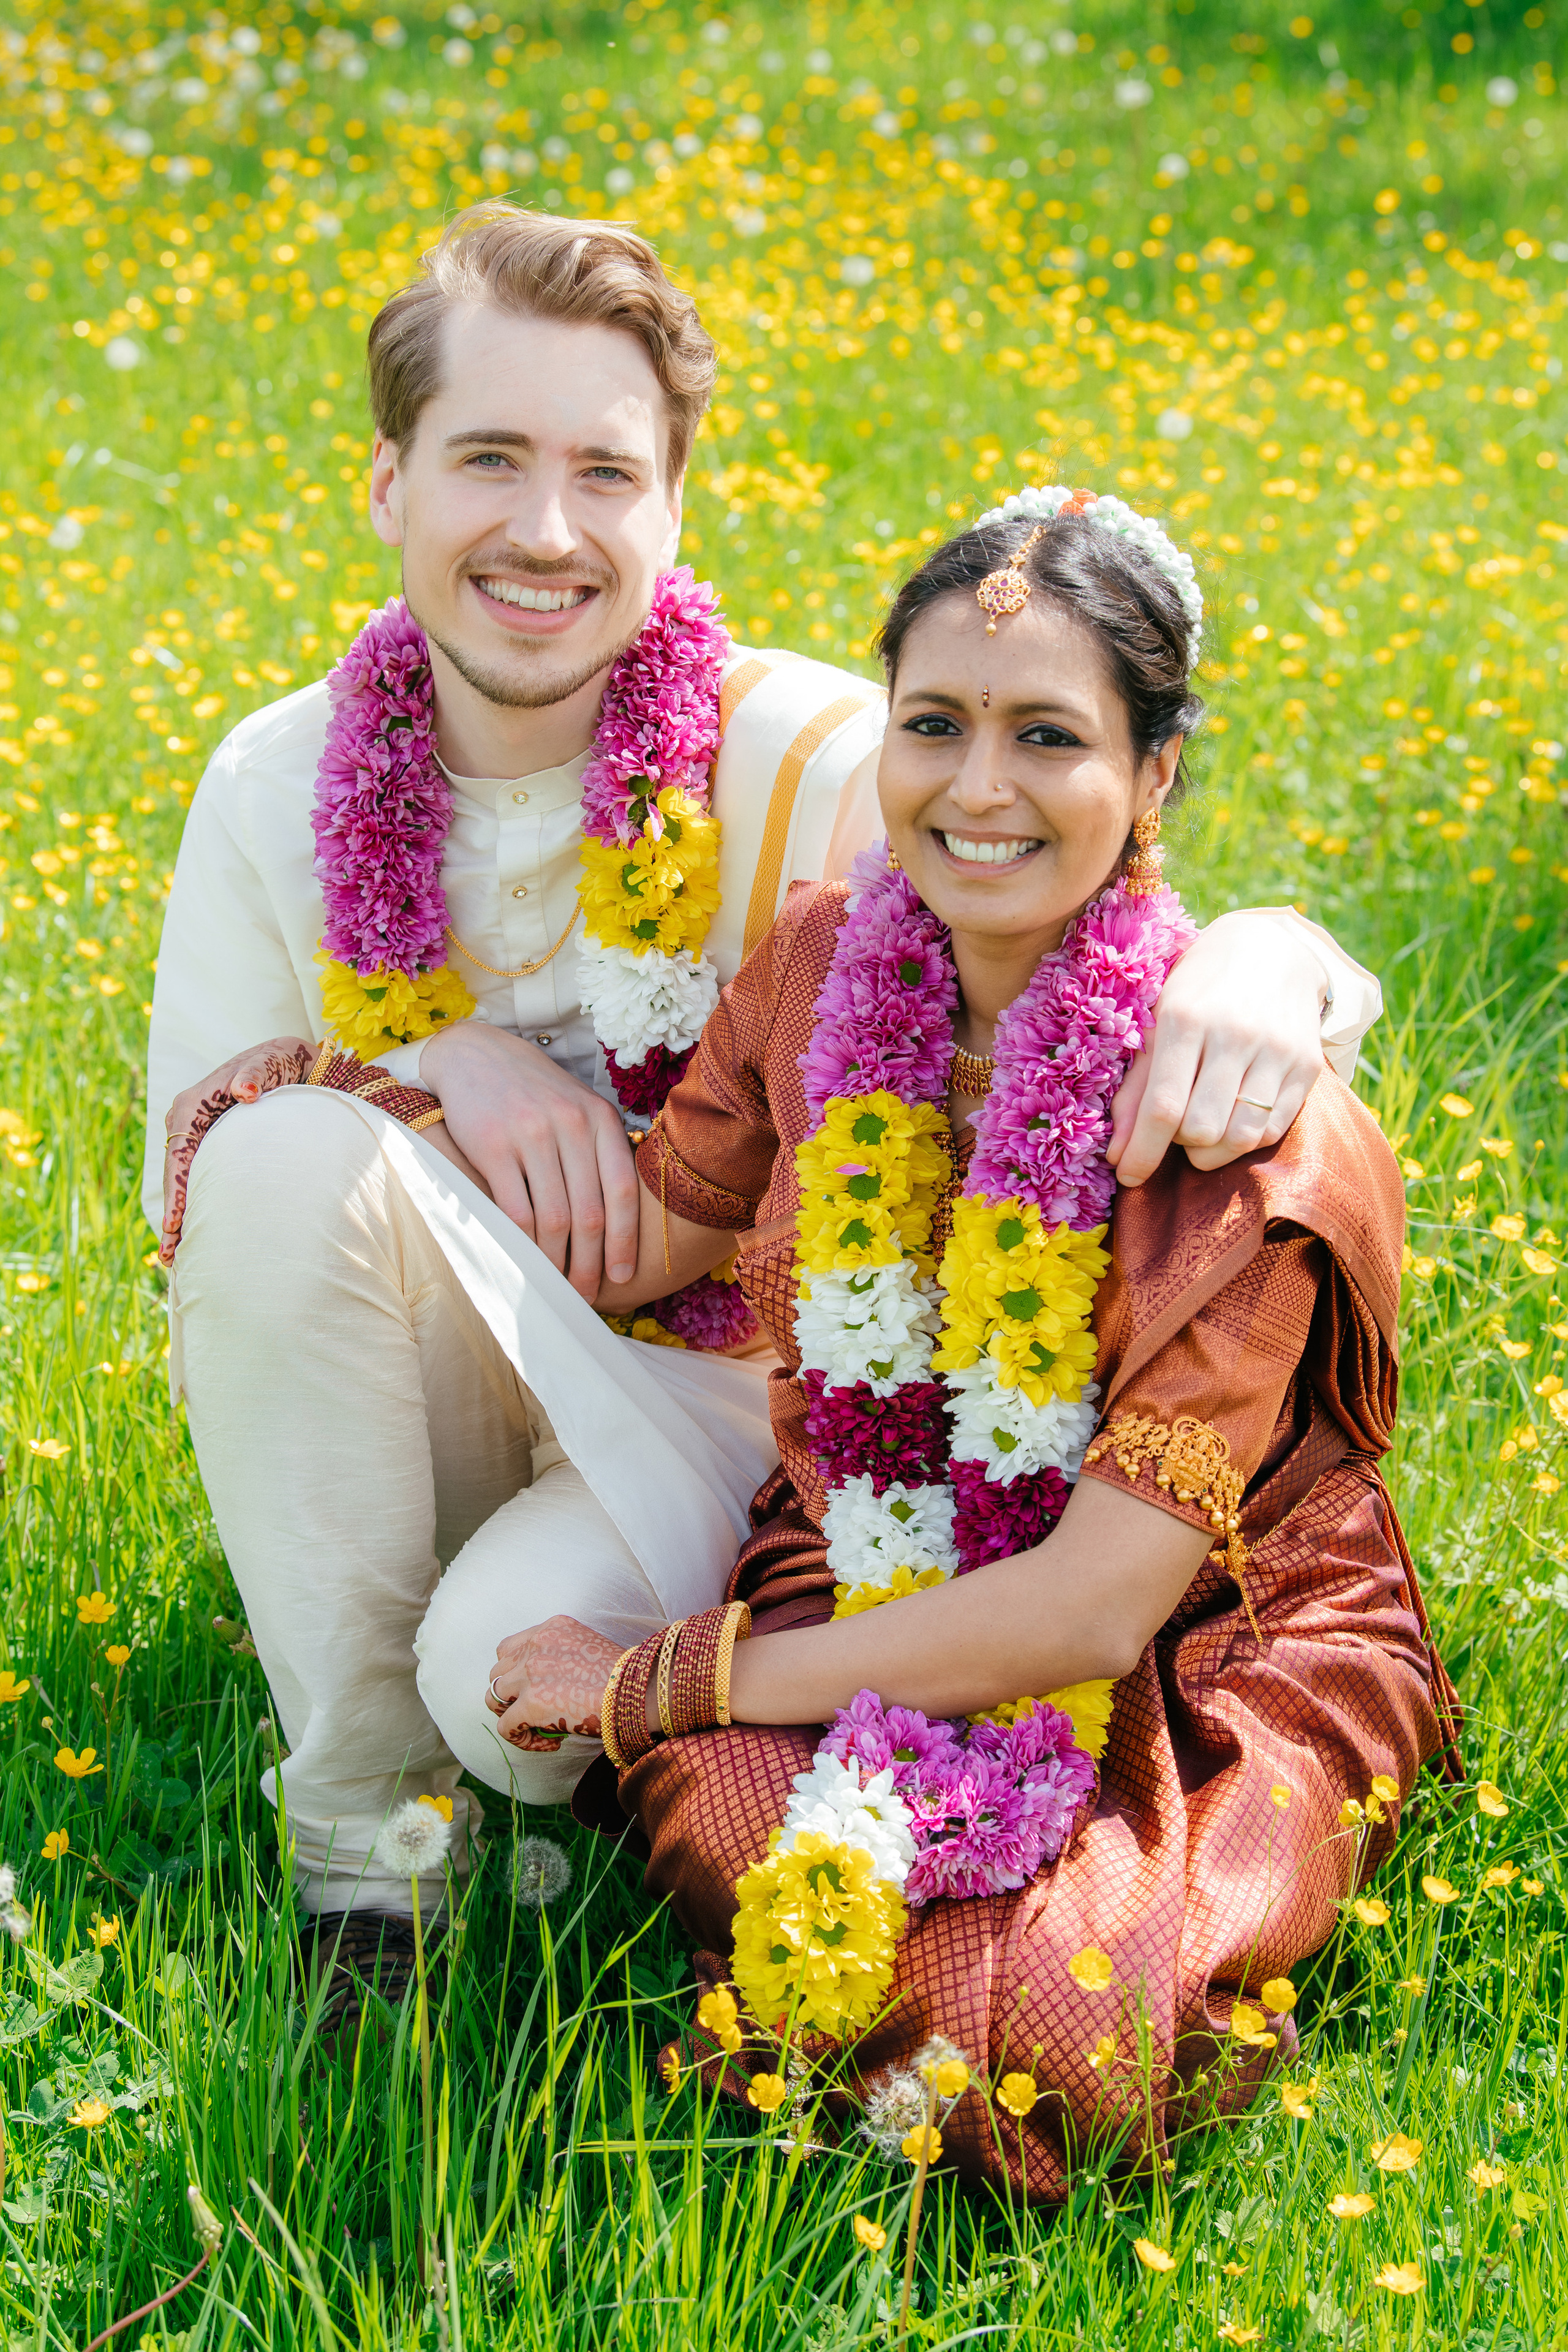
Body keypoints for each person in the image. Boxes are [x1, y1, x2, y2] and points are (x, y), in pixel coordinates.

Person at [150, 204, 1383, 1994]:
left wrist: (1282, 952)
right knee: (270, 1164)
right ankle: (366, 1852)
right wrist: (429, 1062)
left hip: (751, 1421)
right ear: (388, 483)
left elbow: (1086, 907)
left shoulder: (825, 754)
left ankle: (561, 1731)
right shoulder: (275, 785)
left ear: (675, 507)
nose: (546, 529)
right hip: (435, 1376)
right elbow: (197, 1206)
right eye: (489, 457)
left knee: (497, 1692)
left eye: (605, 471)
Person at [469, 492, 1457, 2196]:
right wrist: (412, 1076)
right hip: (872, 1553)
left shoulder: (1237, 1130)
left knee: (1075, 2034)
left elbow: (1089, 1610)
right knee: (741, 1824)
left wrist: (659, 1682)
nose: (979, 788)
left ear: (1155, 774)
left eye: (1049, 737)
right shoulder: (815, 973)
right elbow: (649, 1242)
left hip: (1210, 1626)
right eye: (934, 724)